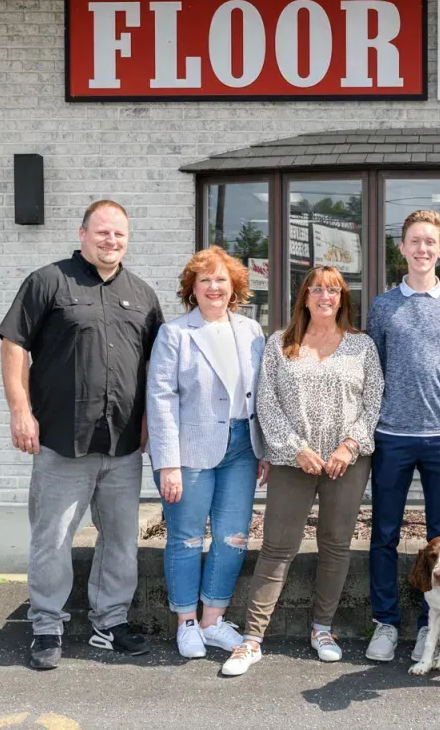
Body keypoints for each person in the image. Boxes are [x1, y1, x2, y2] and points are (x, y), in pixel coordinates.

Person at [0, 200, 164, 670]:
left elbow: (155, 366)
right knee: (51, 537)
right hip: (61, 440)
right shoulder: (48, 281)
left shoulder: (143, 295)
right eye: (103, 233)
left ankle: (110, 622)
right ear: (83, 232)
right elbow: (14, 347)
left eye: (119, 235)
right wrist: (20, 411)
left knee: (120, 538)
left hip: (123, 444)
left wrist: (150, 423)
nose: (111, 241)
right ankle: (46, 625)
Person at [221, 265, 383, 676]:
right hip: (294, 462)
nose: (325, 296)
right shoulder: (282, 343)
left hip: (346, 462)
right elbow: (267, 403)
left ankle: (322, 629)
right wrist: (296, 450)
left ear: (343, 297)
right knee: (277, 546)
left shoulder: (361, 346)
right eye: (317, 289)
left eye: (333, 290)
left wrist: (349, 445)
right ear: (305, 297)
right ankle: (252, 639)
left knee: (335, 544)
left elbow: (373, 402)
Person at [365, 210, 440, 663]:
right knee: (384, 534)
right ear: (402, 247)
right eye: (415, 241)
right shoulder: (383, 306)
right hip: (392, 435)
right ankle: (385, 625)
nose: (423, 249)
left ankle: (430, 628)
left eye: (430, 242)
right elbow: (373, 367)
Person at [146, 246, 266, 659]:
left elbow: (260, 396)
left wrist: (262, 449)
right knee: (186, 538)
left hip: (241, 447)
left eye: (221, 280)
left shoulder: (251, 332)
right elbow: (159, 399)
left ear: (234, 286)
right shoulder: (175, 334)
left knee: (233, 538)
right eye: (205, 280)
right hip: (190, 451)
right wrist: (168, 463)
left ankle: (214, 621)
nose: (214, 287)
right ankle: (187, 624)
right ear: (191, 289)